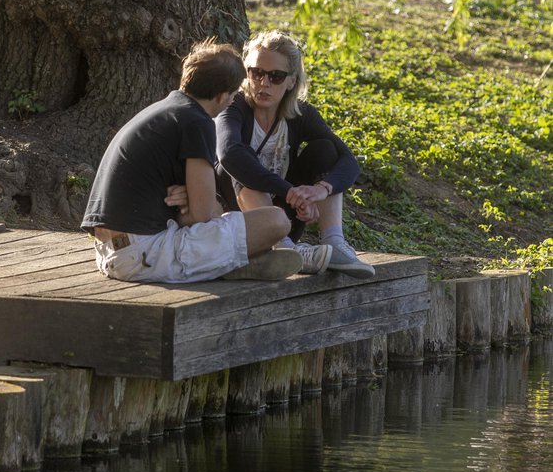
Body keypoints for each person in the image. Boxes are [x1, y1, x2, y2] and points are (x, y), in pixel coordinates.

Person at [81, 40, 302, 284]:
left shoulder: (166, 109)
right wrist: (206, 206)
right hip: (143, 254)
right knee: (277, 221)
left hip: (110, 252)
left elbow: (190, 209)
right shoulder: (198, 122)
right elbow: (205, 215)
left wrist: (191, 201)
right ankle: (226, 264)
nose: (233, 101)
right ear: (221, 96)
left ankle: (223, 264)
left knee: (229, 223)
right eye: (233, 95)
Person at [215, 30, 375, 279]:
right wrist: (290, 191)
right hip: (241, 221)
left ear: (291, 81)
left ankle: (334, 241)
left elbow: (348, 161)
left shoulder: (301, 114)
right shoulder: (234, 108)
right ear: (246, 73)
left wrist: (317, 191)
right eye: (256, 73)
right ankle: (284, 249)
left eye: (275, 77)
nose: (263, 84)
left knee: (325, 150)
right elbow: (228, 154)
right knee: (240, 160)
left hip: (287, 216)